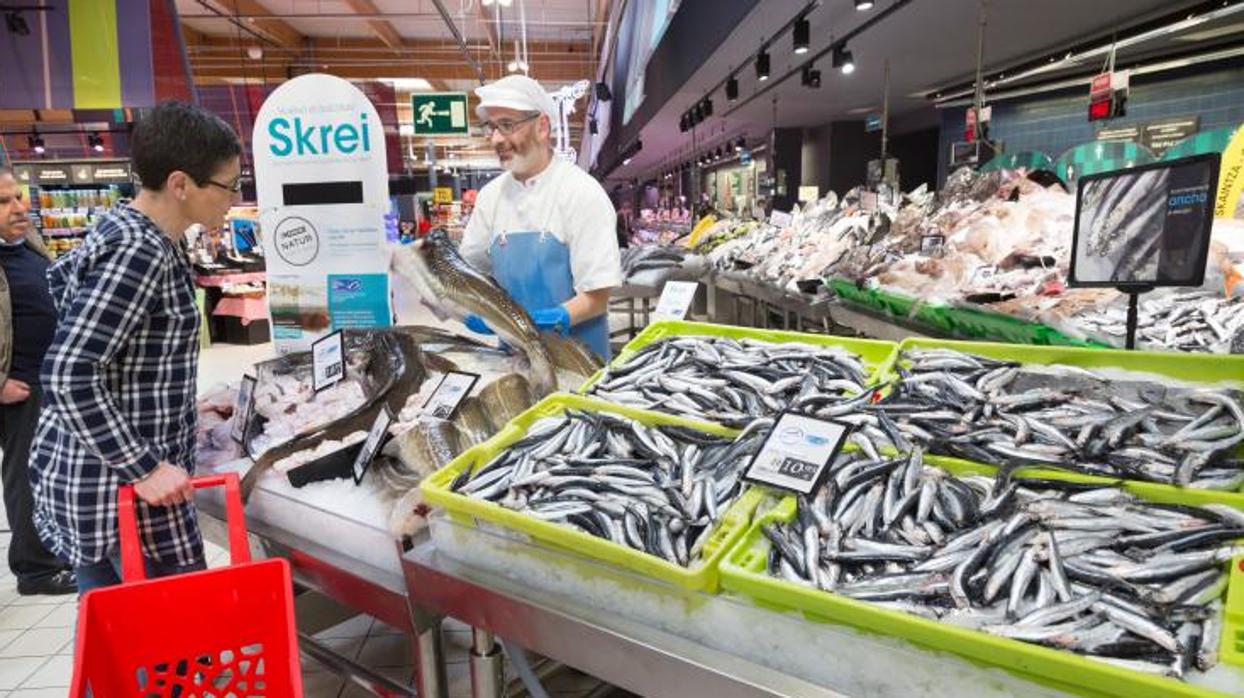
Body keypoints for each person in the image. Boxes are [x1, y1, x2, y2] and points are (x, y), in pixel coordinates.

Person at [31, 101, 243, 595]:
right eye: (228, 184)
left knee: (122, 645)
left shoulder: (130, 232)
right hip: (120, 497)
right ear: (180, 184)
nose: (234, 198)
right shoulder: (139, 251)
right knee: (167, 652)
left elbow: (118, 360)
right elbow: (68, 372)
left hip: (100, 483)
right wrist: (143, 466)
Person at [459, 75, 622, 359]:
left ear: (542, 127)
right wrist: (473, 307)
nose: (497, 138)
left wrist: (551, 318)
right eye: (492, 127)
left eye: (507, 125)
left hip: (580, 360)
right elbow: (472, 268)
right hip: (517, 359)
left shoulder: (582, 193)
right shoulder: (490, 197)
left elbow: (598, 296)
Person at [0, 167, 77, 596]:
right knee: (26, 478)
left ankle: (54, 550)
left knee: (51, 473)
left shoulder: (26, 244)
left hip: (49, 380)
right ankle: (34, 570)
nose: (19, 208)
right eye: (5, 202)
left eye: (18, 197)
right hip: (21, 387)